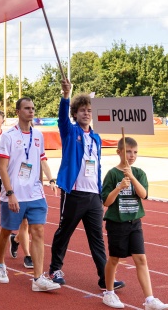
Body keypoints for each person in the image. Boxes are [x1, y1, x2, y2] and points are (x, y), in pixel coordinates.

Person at [47, 78, 126, 291]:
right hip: (73, 193)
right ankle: (55, 269)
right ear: (75, 113)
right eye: (82, 110)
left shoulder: (97, 138)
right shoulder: (70, 132)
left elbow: (97, 166)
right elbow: (62, 119)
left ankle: (104, 277)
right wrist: (66, 95)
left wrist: (100, 194)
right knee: (65, 232)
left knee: (97, 239)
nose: (86, 113)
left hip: (92, 195)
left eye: (89, 110)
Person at [0, 97, 60, 292]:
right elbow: (3, 168)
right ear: (18, 112)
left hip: (35, 194)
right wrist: (10, 193)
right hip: (14, 194)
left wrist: (47, 181)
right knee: (6, 231)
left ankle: (38, 278)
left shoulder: (38, 135)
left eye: (33, 108)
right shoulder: (9, 136)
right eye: (27, 108)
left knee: (38, 231)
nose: (31, 111)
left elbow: (39, 162)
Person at [101, 137, 168, 310]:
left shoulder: (139, 173)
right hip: (117, 223)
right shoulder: (112, 174)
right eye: (128, 151)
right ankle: (109, 292)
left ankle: (149, 299)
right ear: (119, 152)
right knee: (115, 258)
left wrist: (131, 176)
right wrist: (119, 188)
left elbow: (144, 194)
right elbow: (106, 202)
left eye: (135, 152)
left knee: (141, 259)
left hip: (135, 222)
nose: (132, 155)